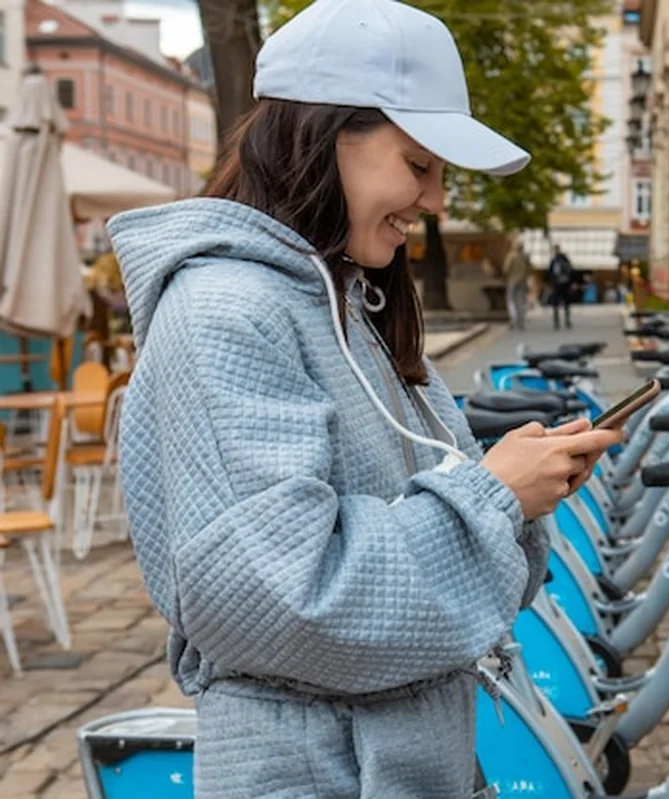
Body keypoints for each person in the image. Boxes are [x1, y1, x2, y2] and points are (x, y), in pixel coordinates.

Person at [106, 1, 622, 796]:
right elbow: (285, 598)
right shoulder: (224, 313)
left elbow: (459, 572)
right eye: (419, 164)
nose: (437, 199)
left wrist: (516, 490)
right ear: (324, 137)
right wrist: (493, 496)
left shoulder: (352, 304)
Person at [502, 239, 531, 330]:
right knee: (521, 301)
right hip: (523, 281)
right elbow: (529, 269)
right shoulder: (525, 256)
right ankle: (521, 320)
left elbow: (506, 269)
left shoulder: (511, 256)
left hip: (512, 281)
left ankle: (514, 318)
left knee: (511, 300)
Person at [547, 244, 574, 329]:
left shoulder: (555, 260)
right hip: (564, 283)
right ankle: (566, 321)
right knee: (565, 303)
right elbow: (571, 271)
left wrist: (551, 282)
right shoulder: (564, 259)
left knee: (557, 303)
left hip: (558, 284)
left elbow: (550, 273)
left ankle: (557, 322)